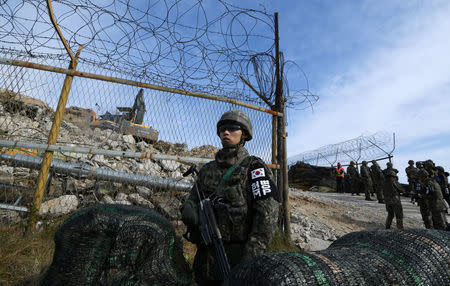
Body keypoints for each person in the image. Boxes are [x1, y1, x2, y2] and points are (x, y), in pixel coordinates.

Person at [180, 110, 280, 285]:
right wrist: (189, 209)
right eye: (223, 128)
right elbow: (194, 200)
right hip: (205, 260)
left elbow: (267, 218)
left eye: (233, 128)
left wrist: (249, 262)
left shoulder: (254, 168)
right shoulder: (207, 170)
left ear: (245, 134)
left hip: (238, 261)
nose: (226, 132)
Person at [382, 162, 404, 229]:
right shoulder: (393, 181)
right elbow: (400, 189)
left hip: (387, 200)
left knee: (390, 214)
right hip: (395, 199)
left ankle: (387, 226)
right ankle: (400, 228)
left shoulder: (384, 181)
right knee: (399, 214)